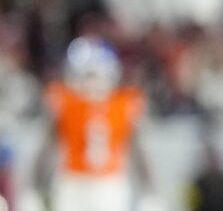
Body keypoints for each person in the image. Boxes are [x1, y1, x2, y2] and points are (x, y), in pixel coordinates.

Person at [32, 37, 160, 211]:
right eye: (86, 75)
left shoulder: (125, 103)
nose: (91, 83)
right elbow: (47, 147)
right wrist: (34, 188)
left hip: (110, 184)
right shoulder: (64, 101)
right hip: (73, 182)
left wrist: (149, 192)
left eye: (94, 75)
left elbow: (138, 151)